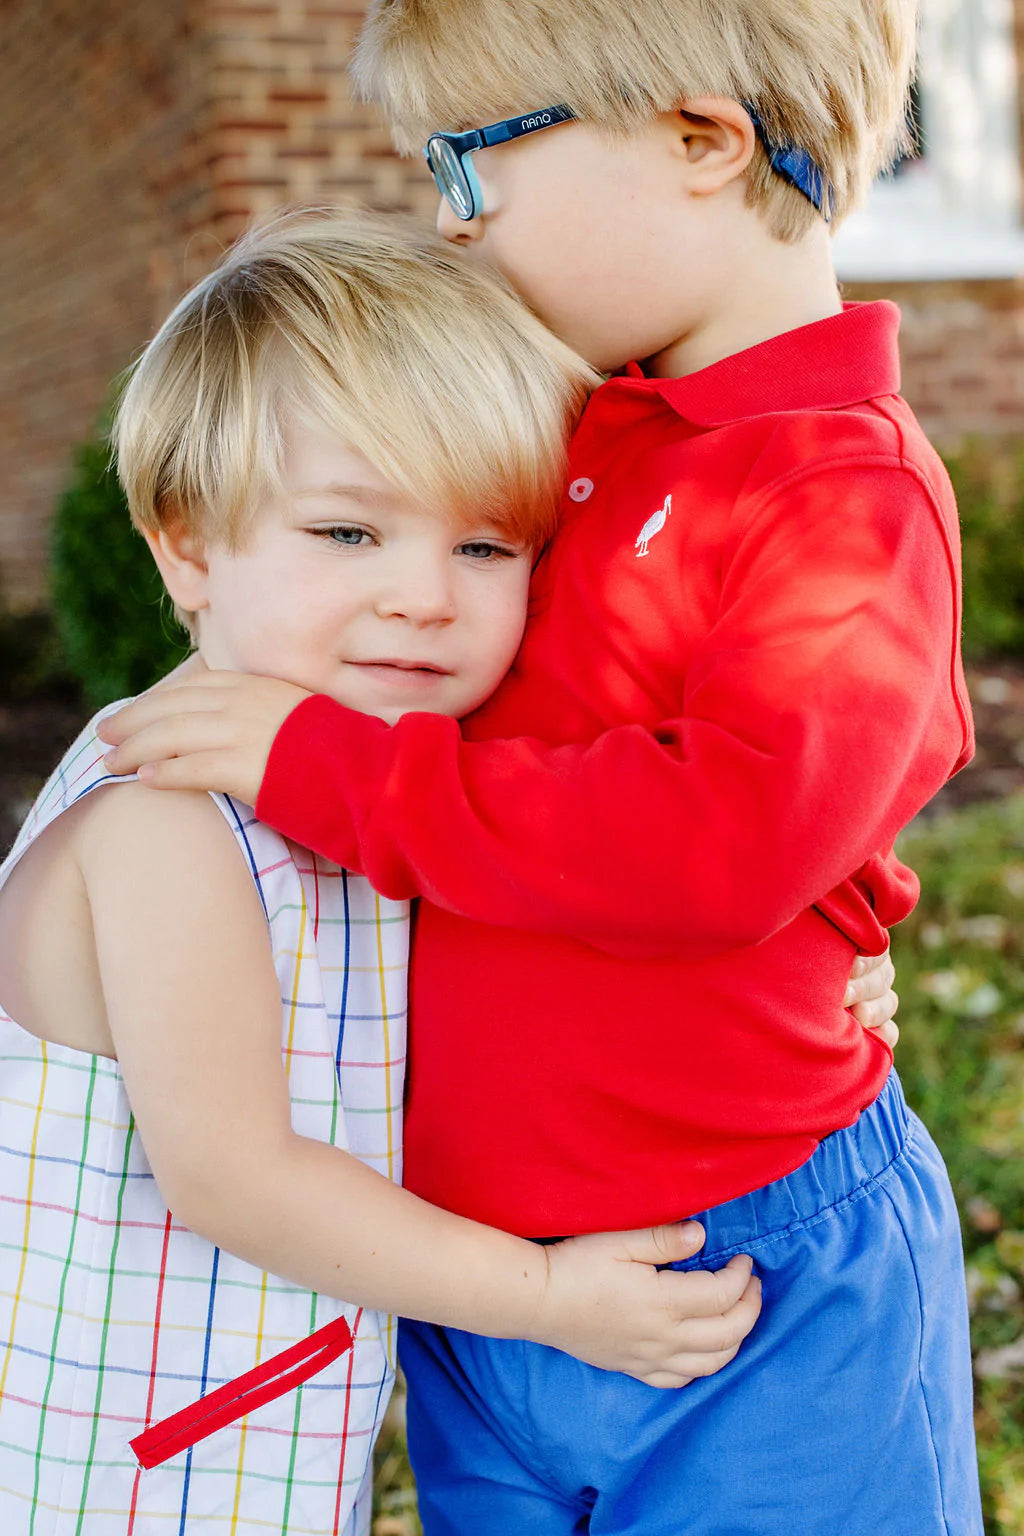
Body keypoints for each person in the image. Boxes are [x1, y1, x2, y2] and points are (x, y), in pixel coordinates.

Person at [93, 0, 963, 1524]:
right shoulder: (574, 431)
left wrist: (332, 773)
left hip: (745, 1274)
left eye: (469, 162)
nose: (449, 221)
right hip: (493, 1277)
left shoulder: (842, 486)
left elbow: (729, 835)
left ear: (698, 138)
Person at [0, 212, 780, 1536]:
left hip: (239, 1434)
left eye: (485, 546)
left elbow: (586, 887)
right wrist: (550, 1304)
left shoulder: (383, 785)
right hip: (93, 1473)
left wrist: (812, 961)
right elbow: (234, 1178)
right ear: (186, 547)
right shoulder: (169, 828)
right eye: (351, 534)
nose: (425, 595)